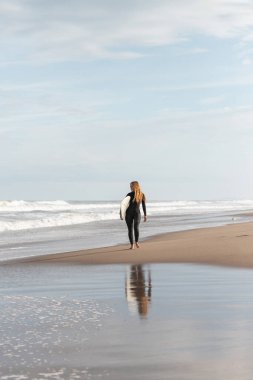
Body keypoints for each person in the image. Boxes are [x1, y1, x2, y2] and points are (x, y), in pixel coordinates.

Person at [120, 181, 147, 250]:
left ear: (135, 186)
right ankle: (132, 245)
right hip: (128, 214)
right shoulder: (129, 194)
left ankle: (136, 242)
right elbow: (124, 205)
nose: (130, 187)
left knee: (136, 228)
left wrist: (145, 215)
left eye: (131, 186)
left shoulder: (141, 194)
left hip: (137, 213)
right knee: (130, 229)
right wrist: (122, 214)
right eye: (130, 186)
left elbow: (144, 205)